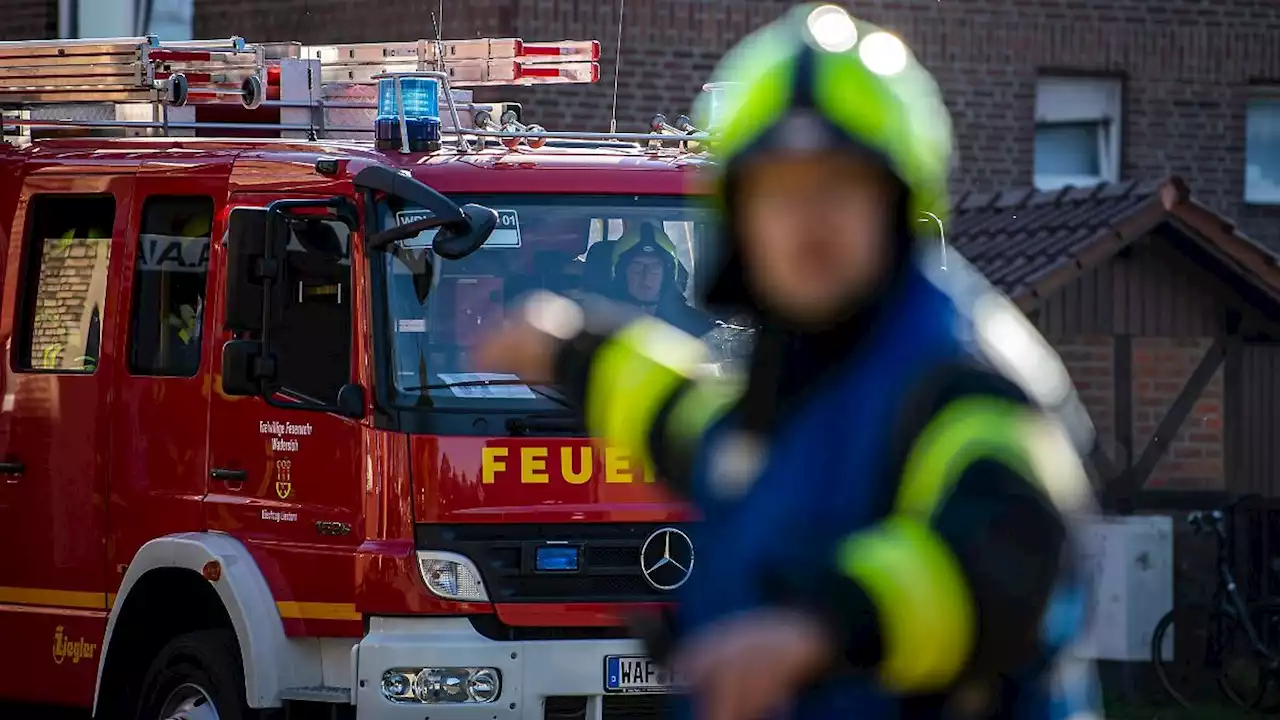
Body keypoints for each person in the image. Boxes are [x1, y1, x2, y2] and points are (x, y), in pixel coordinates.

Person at [474, 5, 1101, 720]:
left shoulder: (964, 377)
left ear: (898, 199)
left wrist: (822, 628)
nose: (808, 218)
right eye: (778, 190)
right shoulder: (802, 371)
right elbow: (701, 429)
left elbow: (1010, 556)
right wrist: (574, 353)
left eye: (838, 183)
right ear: (739, 215)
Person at [608, 221, 715, 338]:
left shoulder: (698, 327)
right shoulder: (599, 325)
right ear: (622, 273)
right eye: (637, 267)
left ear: (667, 275)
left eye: (655, 268)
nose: (646, 276)